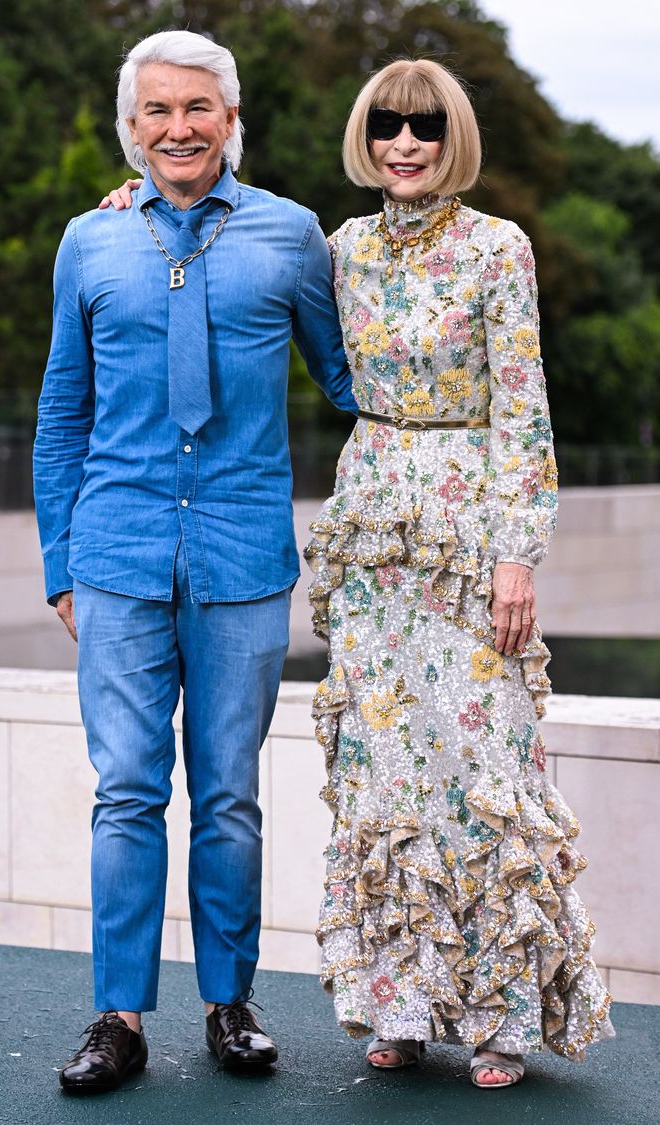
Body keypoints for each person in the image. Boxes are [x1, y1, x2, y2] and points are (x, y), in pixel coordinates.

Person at [33, 28, 356, 1095]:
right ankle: (118, 1018)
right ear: (133, 128)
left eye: (198, 109)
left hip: (243, 559)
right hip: (118, 557)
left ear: (230, 120)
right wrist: (60, 561)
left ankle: (232, 1005)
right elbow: (61, 413)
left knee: (229, 799)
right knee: (127, 792)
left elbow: (352, 383)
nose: (180, 128)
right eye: (158, 111)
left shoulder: (292, 235)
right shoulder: (90, 241)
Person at [303, 58, 614, 1087]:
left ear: (451, 137)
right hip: (371, 523)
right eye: (387, 125)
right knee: (383, 769)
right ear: (367, 134)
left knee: (487, 768)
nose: (404, 143)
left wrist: (517, 552)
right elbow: (242, 264)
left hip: (468, 517)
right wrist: (134, 200)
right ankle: (395, 1001)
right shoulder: (339, 247)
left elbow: (523, 403)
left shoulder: (497, 246)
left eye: (424, 127)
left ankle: (501, 1017)